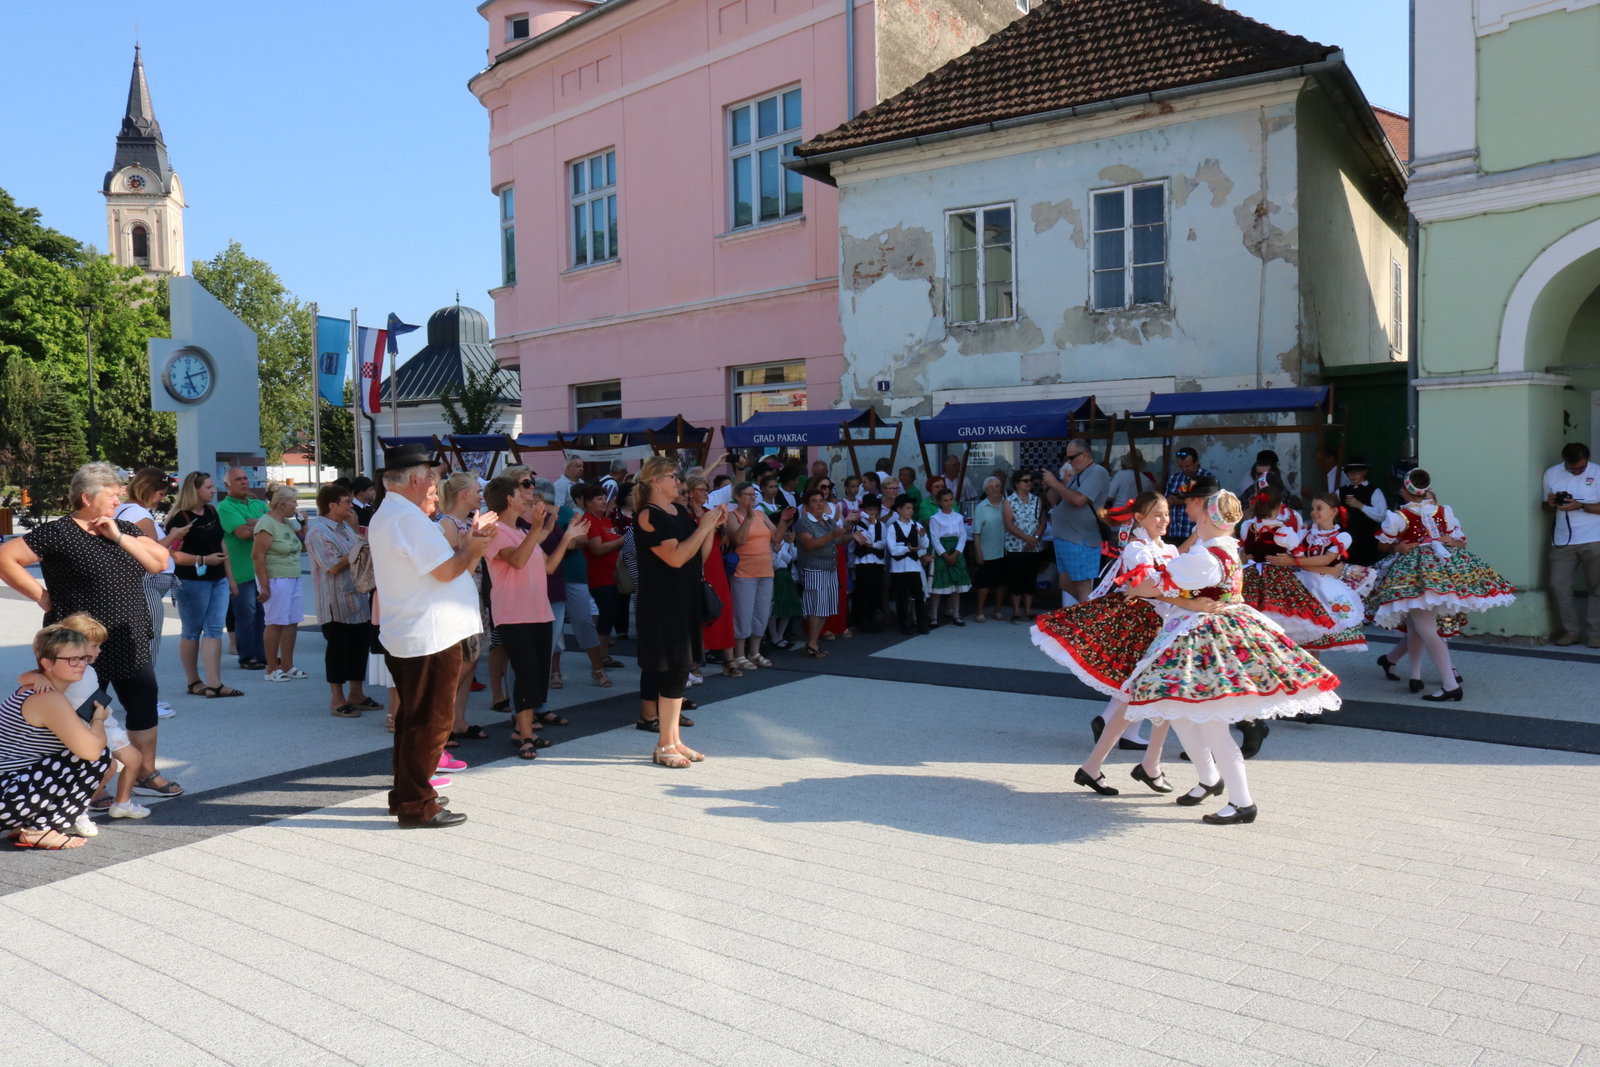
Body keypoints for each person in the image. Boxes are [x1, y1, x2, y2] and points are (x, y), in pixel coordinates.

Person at [1120, 489, 1342, 824]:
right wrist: (1181, 598)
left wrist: (1144, 587)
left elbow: (1155, 586)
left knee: (1210, 723)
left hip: (1204, 640)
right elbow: (1174, 587)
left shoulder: (1205, 557)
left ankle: (1242, 802)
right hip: (1203, 632)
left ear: (1207, 517)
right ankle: (1209, 779)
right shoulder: (1222, 548)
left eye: (1200, 511)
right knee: (1180, 712)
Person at [0, 462, 180, 798]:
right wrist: (42, 597)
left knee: (143, 703)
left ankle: (144, 773)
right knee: (82, 711)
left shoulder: (124, 527)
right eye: (112, 495)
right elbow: (5, 557)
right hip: (77, 643)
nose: (117, 500)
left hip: (128, 636)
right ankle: (92, 786)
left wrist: (118, 535)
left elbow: (159, 562)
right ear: (86, 497)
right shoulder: (57, 533)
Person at [369, 443, 496, 828]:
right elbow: (446, 572)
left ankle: (408, 794)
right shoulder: (405, 518)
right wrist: (475, 545)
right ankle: (417, 805)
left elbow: (438, 570)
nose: (434, 487)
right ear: (414, 478)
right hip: (429, 634)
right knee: (431, 722)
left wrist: (469, 546)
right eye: (433, 478)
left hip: (418, 631)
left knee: (415, 720)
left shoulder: (393, 514)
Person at [1032, 492, 1179, 795]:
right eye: (1157, 515)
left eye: (1165, 514)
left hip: (1165, 629)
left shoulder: (1169, 548)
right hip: (1145, 631)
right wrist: (1191, 598)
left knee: (1152, 700)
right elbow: (1143, 587)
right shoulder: (1136, 550)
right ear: (1139, 517)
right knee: (1150, 699)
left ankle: (1113, 766)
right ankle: (1137, 766)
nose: (1164, 520)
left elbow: (1163, 585)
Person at [1368, 468, 1516, 700]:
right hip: (1442, 569)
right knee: (1418, 626)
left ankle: (1449, 684)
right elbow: (1458, 540)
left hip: (1415, 574)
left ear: (1405, 491)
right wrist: (1448, 541)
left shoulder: (1397, 516)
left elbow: (1383, 544)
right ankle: (1415, 676)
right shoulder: (1443, 511)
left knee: (1426, 628)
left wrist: (1397, 547)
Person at [486, 474, 590, 761]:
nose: (528, 497)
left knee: (538, 676)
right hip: (513, 613)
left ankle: (524, 730)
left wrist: (566, 535)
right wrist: (537, 528)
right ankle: (524, 733)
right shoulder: (496, 530)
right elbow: (517, 560)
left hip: (538, 611)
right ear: (510, 499)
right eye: (523, 493)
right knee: (526, 673)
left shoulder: (521, 532)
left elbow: (549, 567)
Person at [633, 456, 725, 767]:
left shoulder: (680, 511)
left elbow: (698, 555)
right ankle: (663, 744)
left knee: (681, 670)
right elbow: (675, 557)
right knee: (671, 670)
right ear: (656, 481)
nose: (680, 482)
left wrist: (710, 528)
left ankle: (673, 740)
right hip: (662, 604)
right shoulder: (648, 515)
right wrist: (705, 527)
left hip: (684, 599)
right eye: (674, 476)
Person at [19, 613, 149, 829]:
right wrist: (38, 677)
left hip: (105, 723)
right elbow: (24, 678)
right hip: (85, 729)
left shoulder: (87, 669)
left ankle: (123, 803)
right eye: (94, 645)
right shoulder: (63, 670)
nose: (98, 651)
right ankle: (79, 810)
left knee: (135, 759)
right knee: (106, 768)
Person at [0, 625, 114, 849]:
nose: (81, 664)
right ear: (47, 663)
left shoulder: (35, 689)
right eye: (72, 659)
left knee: (76, 755)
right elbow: (90, 752)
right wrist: (98, 719)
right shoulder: (48, 698)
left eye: (83, 657)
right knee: (98, 756)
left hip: (9, 792)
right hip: (7, 796)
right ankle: (41, 828)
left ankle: (24, 824)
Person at [114, 468, 186, 717]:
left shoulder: (123, 510)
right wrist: (174, 535)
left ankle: (144, 699)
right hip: (147, 583)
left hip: (141, 583)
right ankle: (146, 702)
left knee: (141, 643)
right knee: (149, 643)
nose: (160, 499)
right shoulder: (139, 514)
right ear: (149, 490)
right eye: (160, 494)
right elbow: (151, 551)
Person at [168, 471, 241, 700]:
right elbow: (173, 555)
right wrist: (203, 560)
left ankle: (215, 683)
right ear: (195, 490)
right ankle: (193, 681)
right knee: (191, 630)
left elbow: (221, 543)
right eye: (208, 487)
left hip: (218, 579)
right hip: (191, 581)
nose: (213, 490)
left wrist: (230, 577)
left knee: (214, 629)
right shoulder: (180, 518)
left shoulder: (211, 511)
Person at [306, 484, 374, 717]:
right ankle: (337, 699)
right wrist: (358, 546)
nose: (350, 505)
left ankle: (357, 693)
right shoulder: (318, 532)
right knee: (338, 651)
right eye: (345, 502)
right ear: (331, 506)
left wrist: (356, 535)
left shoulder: (345, 526)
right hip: (335, 603)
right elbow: (333, 566)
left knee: (358, 647)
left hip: (357, 599)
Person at [727, 481, 791, 669]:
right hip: (744, 572)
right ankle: (739, 654)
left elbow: (776, 537)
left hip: (765, 570)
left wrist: (784, 521)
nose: (752, 498)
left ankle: (754, 651)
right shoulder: (733, 516)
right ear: (738, 497)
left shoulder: (761, 515)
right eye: (747, 495)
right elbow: (738, 540)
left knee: (762, 612)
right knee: (743, 613)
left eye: (753, 495)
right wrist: (747, 519)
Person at [1542, 442, 1600, 647]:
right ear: (1564, 461)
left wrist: (1581, 506)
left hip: (1594, 538)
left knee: (1596, 588)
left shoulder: (1598, 473)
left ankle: (1596, 634)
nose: (1576, 471)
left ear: (1587, 460)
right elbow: (1546, 507)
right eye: (1572, 468)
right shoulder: (1552, 474)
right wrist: (1550, 504)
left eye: (1581, 468)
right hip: (1562, 539)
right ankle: (1570, 631)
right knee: (1558, 585)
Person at [1042, 440, 1111, 607]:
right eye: (1067, 458)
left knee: (1082, 584)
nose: (1069, 461)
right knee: (1065, 583)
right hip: (1066, 537)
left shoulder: (1097, 472)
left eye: (1072, 457)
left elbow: (1079, 500)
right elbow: (1052, 501)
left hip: (1081, 539)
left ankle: (1090, 618)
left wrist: (1056, 484)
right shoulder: (1077, 475)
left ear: (1085, 455)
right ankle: (1090, 610)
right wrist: (1058, 484)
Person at [686, 475, 740, 674]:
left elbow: (723, 542)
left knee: (723, 608)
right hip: (698, 564)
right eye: (701, 489)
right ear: (690, 492)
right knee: (700, 611)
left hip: (715, 564)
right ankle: (695, 660)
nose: (705, 493)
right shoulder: (686, 514)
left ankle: (729, 658)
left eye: (706, 489)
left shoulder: (711, 512)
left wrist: (721, 526)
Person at [217, 468, 269, 669]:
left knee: (263, 615)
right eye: (238, 479)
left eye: (246, 478)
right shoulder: (226, 507)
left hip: (262, 569)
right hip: (241, 570)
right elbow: (242, 533)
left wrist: (252, 522)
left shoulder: (257, 504)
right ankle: (247, 657)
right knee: (246, 616)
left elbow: (278, 525)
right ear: (227, 485)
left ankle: (263, 654)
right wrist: (264, 524)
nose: (244, 482)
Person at [254, 486, 306, 682]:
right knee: (275, 622)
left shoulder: (286, 523)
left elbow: (302, 547)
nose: (296, 505)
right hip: (276, 578)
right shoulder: (266, 524)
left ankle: (287, 664)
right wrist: (264, 586)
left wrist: (304, 526)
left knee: (292, 622)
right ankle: (271, 668)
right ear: (282, 503)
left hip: (292, 576)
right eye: (294, 502)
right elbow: (257, 556)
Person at [794, 487, 852, 656]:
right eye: (814, 501)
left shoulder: (827, 520)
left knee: (825, 608)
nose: (819, 504)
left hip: (830, 568)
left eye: (821, 501)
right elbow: (809, 544)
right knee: (816, 608)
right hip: (814, 568)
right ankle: (811, 643)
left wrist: (853, 537)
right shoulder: (804, 522)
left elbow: (839, 539)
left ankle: (814, 642)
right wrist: (831, 535)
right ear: (806, 506)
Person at [580, 484, 626, 675]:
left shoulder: (605, 520)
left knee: (611, 614)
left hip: (611, 574)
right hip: (597, 576)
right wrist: (624, 539)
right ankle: (600, 656)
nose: (603, 501)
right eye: (599, 498)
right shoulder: (589, 521)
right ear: (588, 503)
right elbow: (597, 549)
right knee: (607, 613)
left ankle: (603, 654)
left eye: (604, 497)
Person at [1001, 470, 1046, 622]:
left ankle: (1028, 610)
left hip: (1034, 546)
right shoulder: (1009, 501)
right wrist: (1027, 539)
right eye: (1025, 481)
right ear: (1017, 483)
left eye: (1030, 481)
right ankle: (1016, 611)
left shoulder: (1037, 500)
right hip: (1015, 547)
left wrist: (1035, 538)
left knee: (1030, 578)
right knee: (1016, 578)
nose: (1029, 483)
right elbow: (1009, 524)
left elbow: (1042, 521)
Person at [886, 493, 931, 634]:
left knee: (918, 594)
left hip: (913, 566)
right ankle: (904, 624)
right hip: (898, 568)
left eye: (911, 508)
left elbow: (925, 544)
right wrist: (907, 548)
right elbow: (892, 549)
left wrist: (922, 536)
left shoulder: (916, 525)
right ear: (899, 510)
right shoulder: (893, 527)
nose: (910, 511)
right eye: (907, 508)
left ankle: (921, 623)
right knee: (901, 597)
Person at [927, 488, 970, 626]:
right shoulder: (935, 519)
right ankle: (934, 615)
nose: (949, 502)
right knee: (939, 584)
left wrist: (956, 553)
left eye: (951, 499)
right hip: (942, 552)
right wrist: (945, 555)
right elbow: (934, 538)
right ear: (939, 502)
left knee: (956, 583)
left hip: (956, 550)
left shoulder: (958, 517)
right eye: (945, 500)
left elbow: (962, 536)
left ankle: (956, 613)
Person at [1334, 457, 1387, 566]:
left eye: (1356, 472)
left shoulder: (1374, 491)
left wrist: (1361, 506)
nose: (1352, 475)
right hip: (1345, 540)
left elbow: (1382, 515)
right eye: (1349, 472)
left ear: (1365, 472)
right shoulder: (1341, 491)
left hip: (1367, 541)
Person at [850, 494, 888, 633]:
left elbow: (884, 542)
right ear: (864, 510)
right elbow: (864, 539)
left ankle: (873, 618)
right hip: (863, 562)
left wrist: (873, 546)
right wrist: (872, 526)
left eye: (875, 509)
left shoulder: (882, 525)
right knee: (863, 591)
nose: (872, 512)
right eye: (869, 509)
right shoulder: (859, 524)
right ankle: (863, 619)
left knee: (875, 590)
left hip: (877, 562)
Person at [1163, 447, 1213, 546]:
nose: (1184, 469)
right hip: (1174, 532)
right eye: (1181, 466)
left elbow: (1210, 503)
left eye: (1188, 466)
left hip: (1195, 532)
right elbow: (1165, 500)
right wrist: (1169, 501)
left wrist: (1181, 501)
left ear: (1197, 462)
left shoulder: (1207, 478)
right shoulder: (1174, 478)